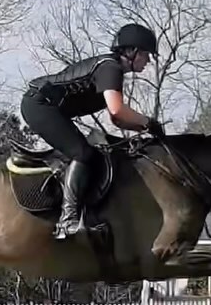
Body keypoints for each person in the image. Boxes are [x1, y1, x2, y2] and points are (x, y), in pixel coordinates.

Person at [20, 23, 165, 239]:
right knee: (83, 154)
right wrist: (149, 122)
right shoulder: (111, 68)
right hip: (39, 105)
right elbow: (117, 111)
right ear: (131, 51)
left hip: (44, 105)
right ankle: (67, 221)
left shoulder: (111, 69)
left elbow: (117, 120)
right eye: (146, 54)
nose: (148, 61)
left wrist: (145, 129)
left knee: (94, 153)